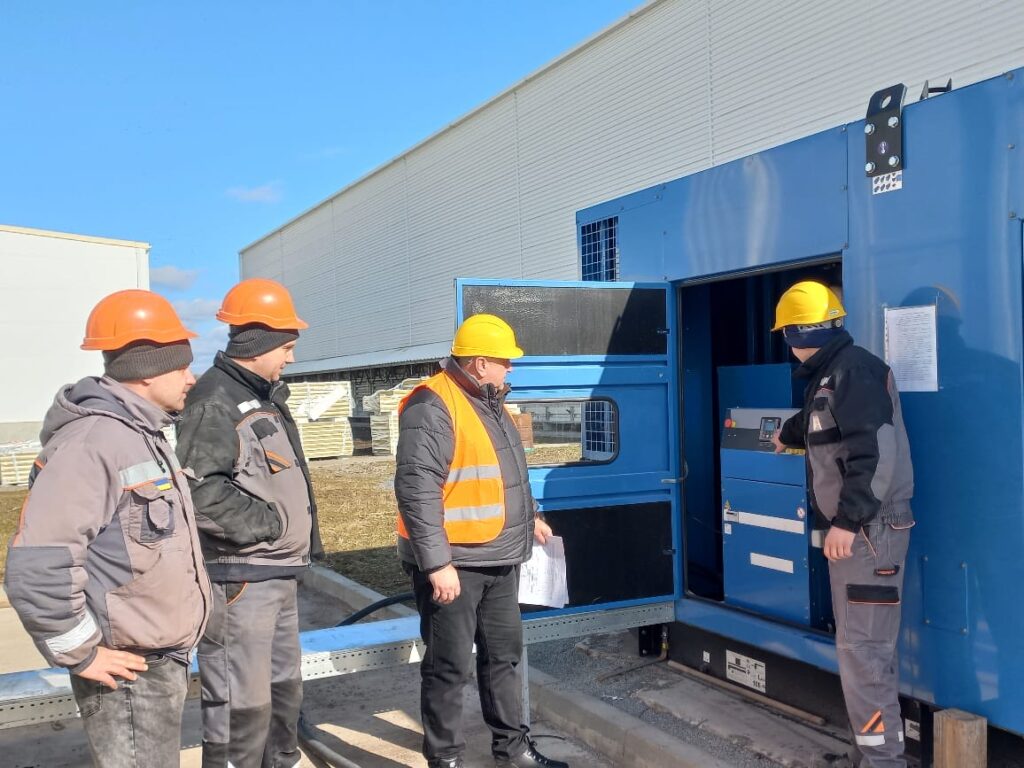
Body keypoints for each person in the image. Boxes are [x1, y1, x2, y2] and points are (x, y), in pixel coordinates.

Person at [4, 289, 210, 768]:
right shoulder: (94, 443)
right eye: (182, 367)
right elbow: (38, 565)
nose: (191, 378)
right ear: (147, 369)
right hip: (127, 670)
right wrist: (82, 653)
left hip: (157, 660)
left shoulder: (140, 435)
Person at [395, 313, 567, 768]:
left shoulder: (492, 402)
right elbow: (416, 489)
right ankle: (445, 758)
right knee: (448, 666)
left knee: (504, 657)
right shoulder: (432, 405)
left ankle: (512, 750)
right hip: (454, 564)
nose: (511, 368)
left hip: (500, 557)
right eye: (505, 361)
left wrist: (531, 516)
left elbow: (507, 472)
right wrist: (437, 564)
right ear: (479, 363)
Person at [175, 277, 322, 768]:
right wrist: (272, 525)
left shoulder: (260, 395)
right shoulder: (215, 400)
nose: (291, 358)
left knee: (282, 693)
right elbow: (202, 493)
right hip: (241, 580)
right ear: (258, 344)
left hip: (274, 573)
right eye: (287, 347)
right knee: (241, 705)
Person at [771, 281, 914, 768]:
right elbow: (823, 421)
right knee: (863, 652)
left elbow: (874, 454)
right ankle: (867, 757)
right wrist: (786, 433)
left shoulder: (853, 372)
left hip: (870, 534)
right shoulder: (835, 374)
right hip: (869, 533)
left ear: (794, 333)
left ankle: (882, 763)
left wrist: (848, 523)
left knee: (864, 653)